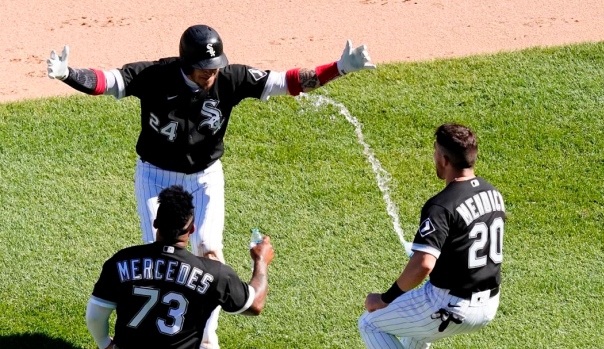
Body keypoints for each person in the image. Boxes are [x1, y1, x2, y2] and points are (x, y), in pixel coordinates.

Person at [46, 24, 375, 348]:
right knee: (162, 255)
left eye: (215, 66)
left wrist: (341, 67)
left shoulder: (231, 78)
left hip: (205, 176)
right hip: (155, 175)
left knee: (210, 251)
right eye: (205, 69)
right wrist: (67, 74)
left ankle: (205, 338)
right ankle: (160, 336)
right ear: (186, 64)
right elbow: (106, 81)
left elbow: (287, 82)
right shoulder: (155, 76)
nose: (212, 74)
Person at [358, 123, 506, 349]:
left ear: (445, 160)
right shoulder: (492, 193)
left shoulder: (441, 205)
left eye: (436, 151)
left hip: (450, 305)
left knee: (370, 323)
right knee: (416, 335)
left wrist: (385, 299)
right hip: (488, 305)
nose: (434, 156)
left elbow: (424, 264)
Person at [85, 185, 275, 349]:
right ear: (191, 229)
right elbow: (255, 305)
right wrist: (261, 262)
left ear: (156, 223)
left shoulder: (121, 261)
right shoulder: (215, 274)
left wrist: (105, 344)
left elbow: (95, 316)